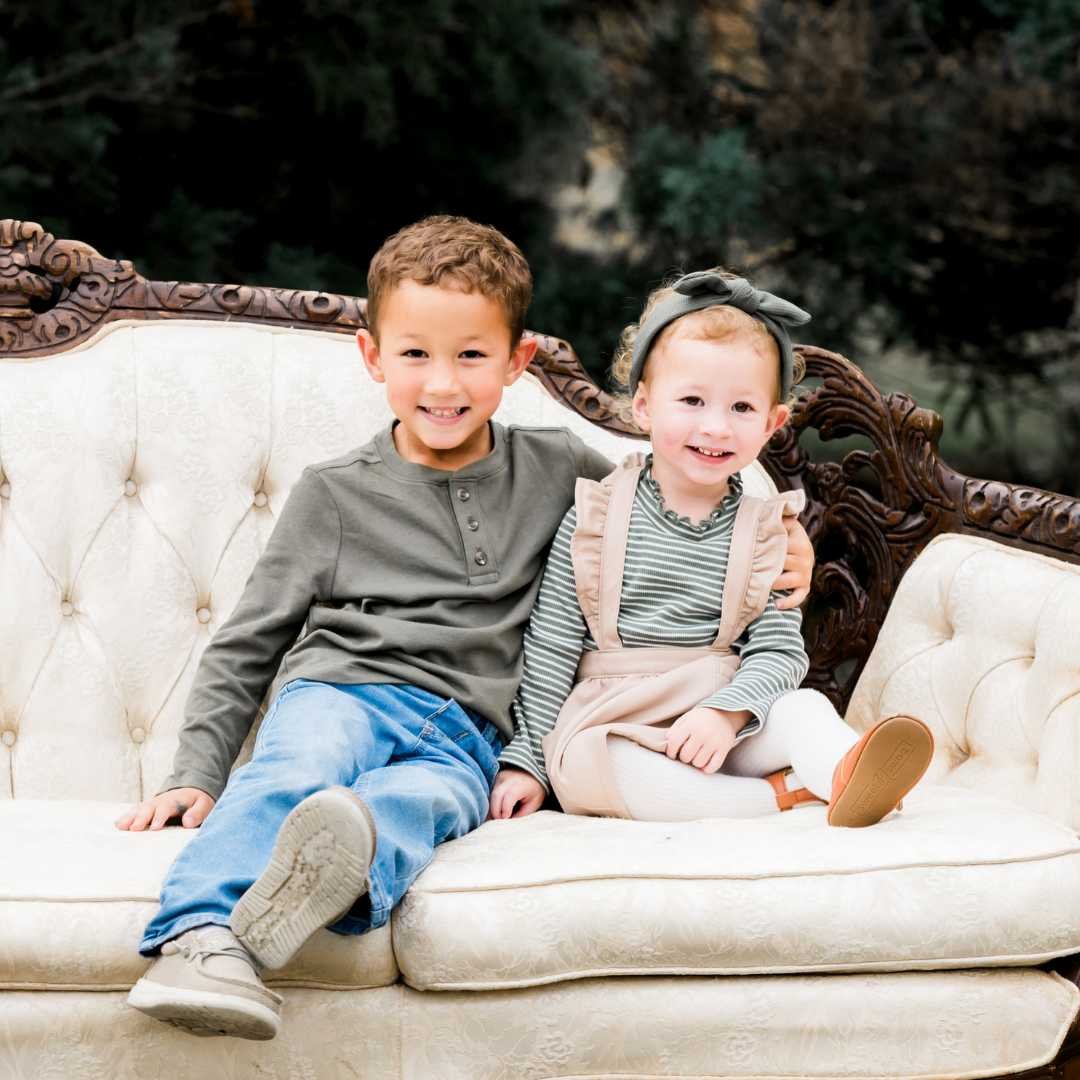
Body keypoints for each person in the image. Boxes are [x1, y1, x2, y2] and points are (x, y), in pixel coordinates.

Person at [115, 220, 817, 1041]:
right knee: (295, 767)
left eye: (472, 356)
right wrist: (195, 771)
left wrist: (783, 540)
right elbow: (248, 641)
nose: (442, 383)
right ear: (372, 357)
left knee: (423, 807)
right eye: (414, 355)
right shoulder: (333, 494)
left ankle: (331, 872)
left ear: (518, 363)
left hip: (471, 734)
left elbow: (675, 493)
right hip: (342, 691)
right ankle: (199, 937)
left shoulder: (558, 465)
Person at [490, 269, 933, 828]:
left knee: (805, 708)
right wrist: (528, 761)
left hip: (723, 712)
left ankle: (844, 767)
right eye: (693, 400)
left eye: (742, 409)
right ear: (645, 407)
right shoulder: (596, 517)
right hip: (615, 715)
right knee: (597, 766)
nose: (717, 427)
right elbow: (551, 646)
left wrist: (726, 715)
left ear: (773, 423)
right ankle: (788, 796)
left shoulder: (768, 533)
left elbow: (779, 653)